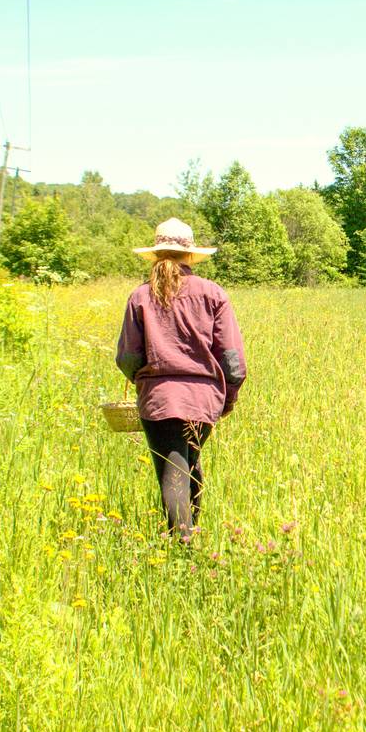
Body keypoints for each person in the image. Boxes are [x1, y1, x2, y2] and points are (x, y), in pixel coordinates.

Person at [115, 218, 246, 542]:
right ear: (189, 256)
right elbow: (233, 361)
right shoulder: (213, 293)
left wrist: (143, 382)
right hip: (203, 400)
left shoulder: (140, 296)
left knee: (173, 472)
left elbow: (128, 358)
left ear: (157, 255)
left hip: (159, 400)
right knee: (188, 464)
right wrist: (227, 399)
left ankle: (182, 547)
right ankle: (188, 540)